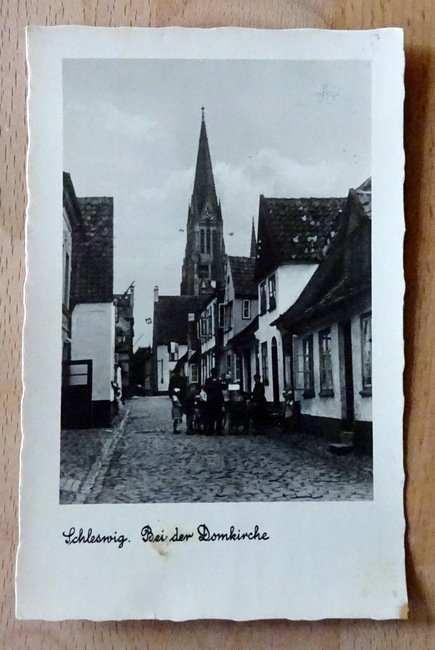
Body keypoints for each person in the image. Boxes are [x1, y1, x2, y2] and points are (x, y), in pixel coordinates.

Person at [204, 368, 224, 435]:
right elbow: (206, 388)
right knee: (212, 416)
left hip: (216, 400)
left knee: (217, 416)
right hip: (212, 400)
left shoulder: (219, 380)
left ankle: (217, 430)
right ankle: (212, 430)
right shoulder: (209, 380)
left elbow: (223, 387)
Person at [168, 368, 187, 434]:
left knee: (176, 413)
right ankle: (177, 427)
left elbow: (170, 388)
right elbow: (185, 389)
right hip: (181, 397)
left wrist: (171, 395)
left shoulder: (172, 379)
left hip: (175, 397)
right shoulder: (182, 379)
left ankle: (176, 428)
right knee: (180, 412)